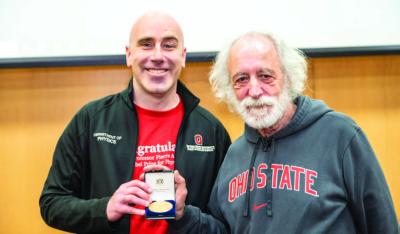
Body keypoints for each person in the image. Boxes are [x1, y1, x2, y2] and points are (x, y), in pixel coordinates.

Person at [170, 32, 399, 233]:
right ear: (230, 90)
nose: (255, 90)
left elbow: (382, 224)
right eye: (241, 79)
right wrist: (183, 214)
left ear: (288, 79)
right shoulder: (235, 154)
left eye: (265, 76)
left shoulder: (341, 136)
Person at [39, 11, 231, 234]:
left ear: (183, 56)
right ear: (129, 55)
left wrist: (184, 215)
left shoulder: (211, 131)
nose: (158, 56)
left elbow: (225, 226)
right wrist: (105, 209)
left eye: (169, 46)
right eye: (146, 44)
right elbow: (52, 203)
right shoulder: (91, 121)